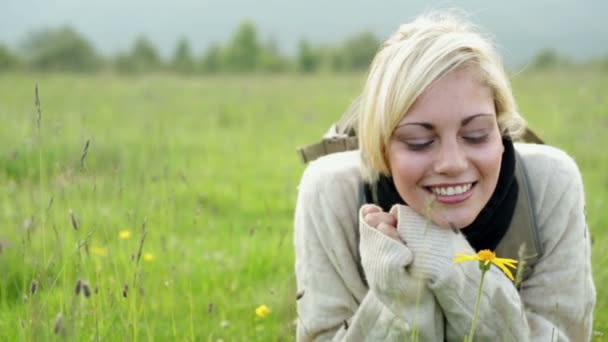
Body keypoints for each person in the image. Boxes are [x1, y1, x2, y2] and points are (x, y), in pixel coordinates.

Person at [293, 11, 596, 341]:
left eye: (477, 134)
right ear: (381, 147)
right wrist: (398, 291)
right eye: (419, 142)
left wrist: (444, 260)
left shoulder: (550, 184)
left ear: (501, 130)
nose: (452, 163)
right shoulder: (330, 192)